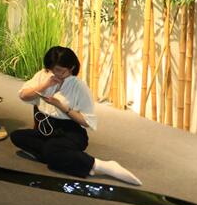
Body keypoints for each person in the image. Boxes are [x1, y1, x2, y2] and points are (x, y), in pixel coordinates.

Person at [11, 47, 142, 185]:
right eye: (52, 69)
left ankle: (102, 166)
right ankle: (57, 156)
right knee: (17, 136)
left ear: (71, 67)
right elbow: (23, 96)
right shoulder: (44, 75)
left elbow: (86, 122)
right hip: (46, 130)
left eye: (60, 70)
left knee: (51, 149)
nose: (55, 73)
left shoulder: (80, 86)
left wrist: (61, 106)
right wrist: (45, 85)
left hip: (70, 132)